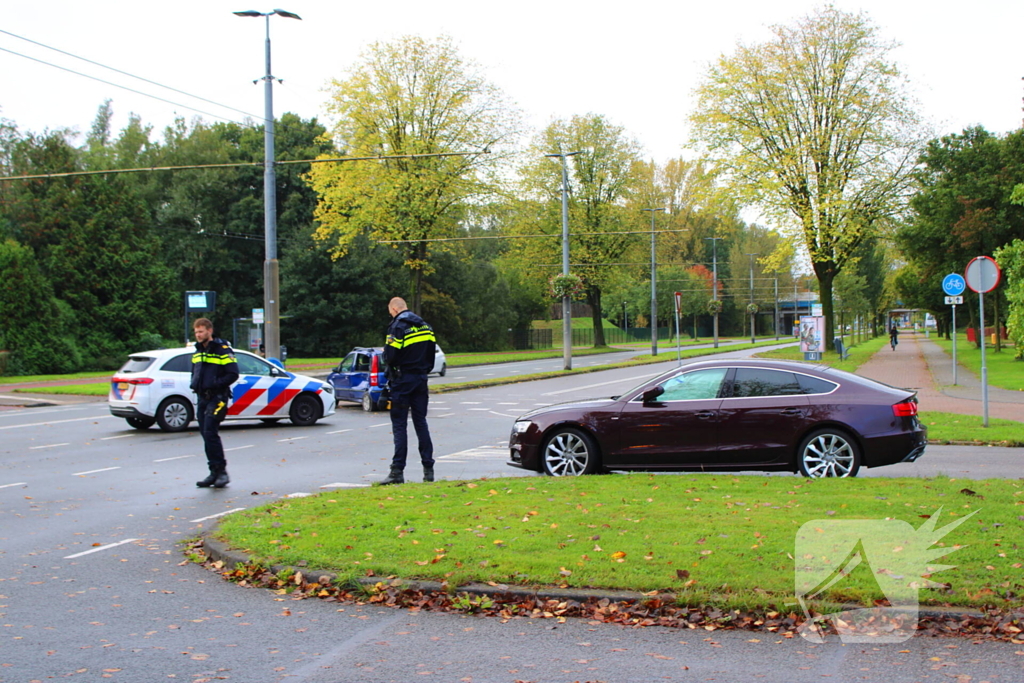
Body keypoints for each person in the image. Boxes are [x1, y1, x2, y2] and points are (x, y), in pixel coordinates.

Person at [379, 297, 436, 485]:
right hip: (421, 379)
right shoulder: (426, 327)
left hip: (403, 380)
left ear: (394, 309)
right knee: (421, 423)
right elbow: (431, 356)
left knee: (399, 425)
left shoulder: (398, 327)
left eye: (390, 311)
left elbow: (390, 357)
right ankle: (428, 470)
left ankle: (397, 472)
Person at [190, 318, 239, 488]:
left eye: (201, 331)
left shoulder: (222, 349)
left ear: (209, 331)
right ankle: (213, 472)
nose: (198, 335)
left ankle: (222, 472)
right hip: (202, 398)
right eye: (196, 332)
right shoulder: (197, 351)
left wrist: (215, 384)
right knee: (205, 434)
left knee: (210, 432)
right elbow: (195, 371)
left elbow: (233, 374)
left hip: (217, 398)